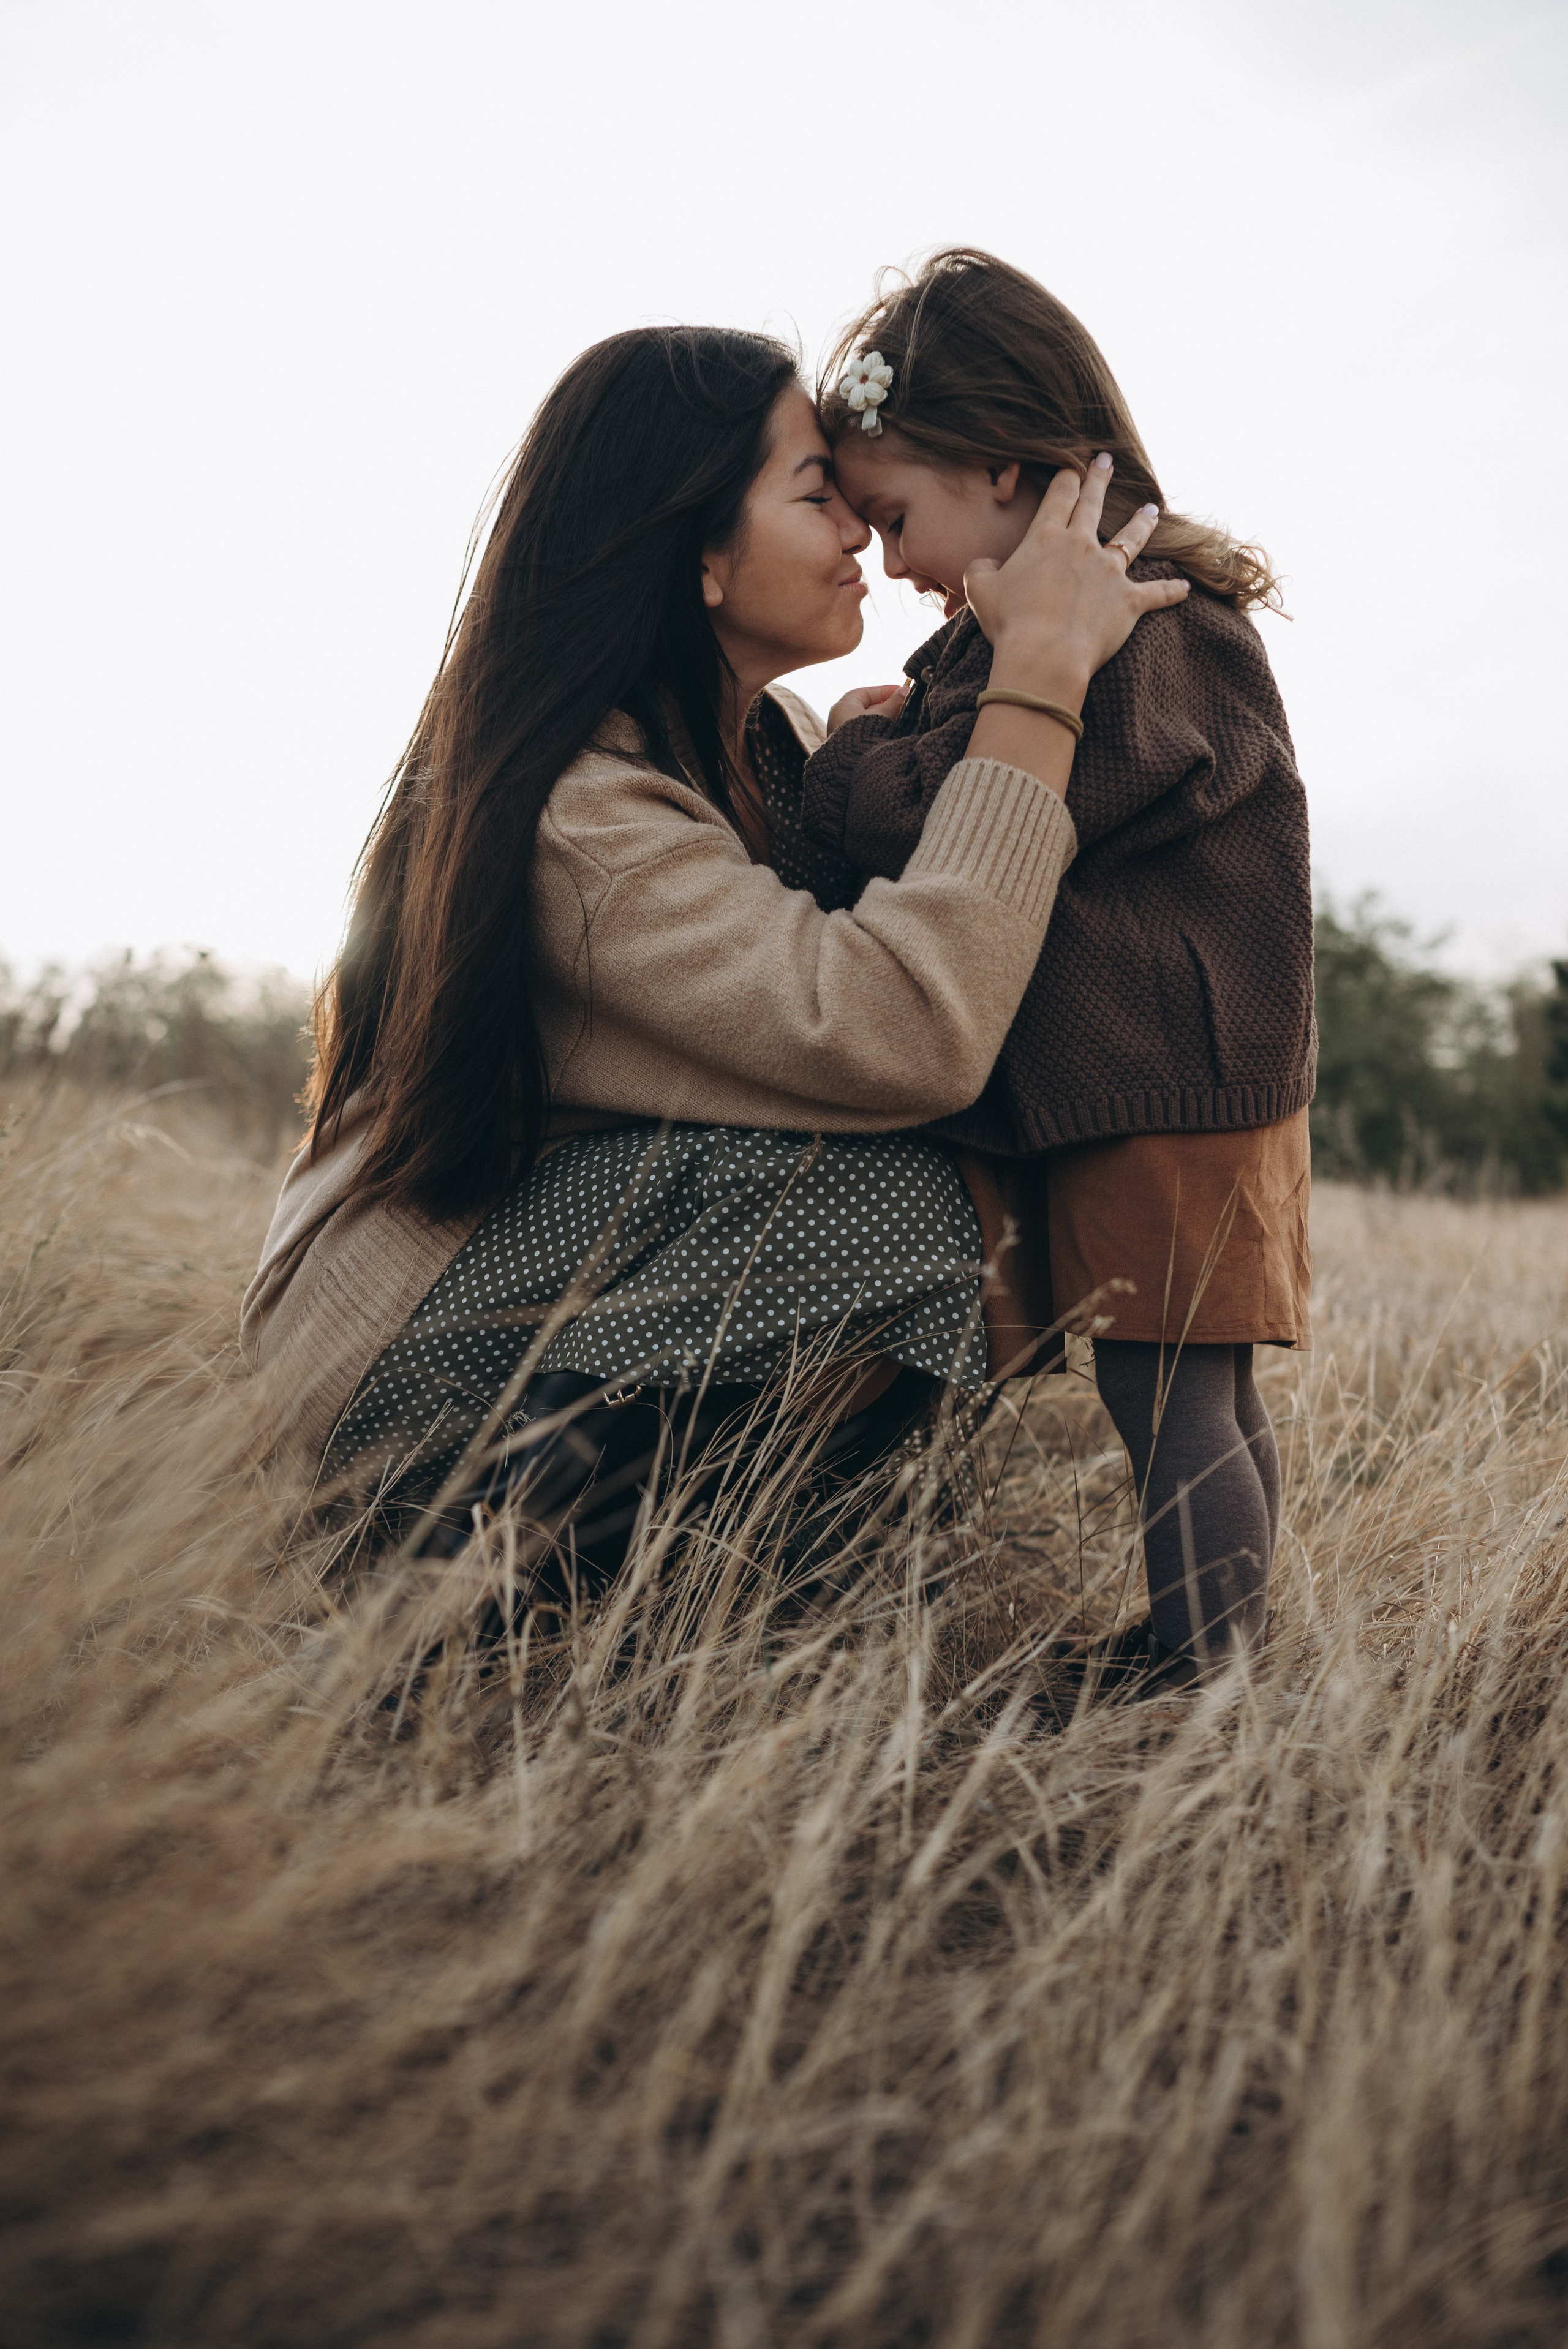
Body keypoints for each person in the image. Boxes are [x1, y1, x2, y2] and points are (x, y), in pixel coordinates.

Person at [240, 323, 1184, 1588]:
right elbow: (906, 1032)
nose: (860, 534)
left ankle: (697, 1576)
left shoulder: (765, 746)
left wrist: (869, 783)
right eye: (816, 495)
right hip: (390, 1384)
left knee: (958, 1195)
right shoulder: (584, 816)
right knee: (903, 1211)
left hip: (553, 1283)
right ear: (696, 556)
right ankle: (487, 1589)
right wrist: (1038, 685)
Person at [804, 250, 1314, 1681]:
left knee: (1171, 1395)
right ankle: (1213, 1647)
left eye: (894, 516)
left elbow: (946, 816)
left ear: (1003, 468)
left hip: (1165, 1092)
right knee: (1190, 1386)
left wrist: (849, 751)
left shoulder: (1127, 625)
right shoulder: (1076, 621)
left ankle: (1197, 1671)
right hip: (1174, 1079)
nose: (887, 561)